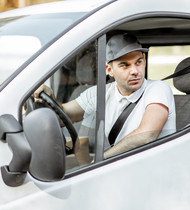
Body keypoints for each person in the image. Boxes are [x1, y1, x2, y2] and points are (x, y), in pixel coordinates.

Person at [34, 33, 176, 159]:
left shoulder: (158, 89)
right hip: (122, 169)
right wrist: (49, 97)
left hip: (155, 172)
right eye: (125, 65)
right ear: (109, 70)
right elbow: (62, 116)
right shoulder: (99, 93)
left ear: (144, 60)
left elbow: (147, 135)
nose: (135, 71)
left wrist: (100, 160)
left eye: (138, 62)